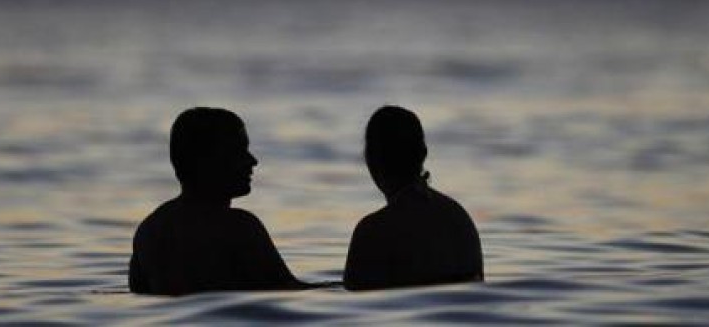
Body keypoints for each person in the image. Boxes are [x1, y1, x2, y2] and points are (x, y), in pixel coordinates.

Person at [129, 107, 310, 295]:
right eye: (238, 151)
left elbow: (138, 293)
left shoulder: (149, 230)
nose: (252, 161)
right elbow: (288, 290)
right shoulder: (239, 227)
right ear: (207, 160)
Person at [344, 105, 484, 290]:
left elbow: (355, 296)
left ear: (370, 159)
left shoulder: (373, 231)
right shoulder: (459, 219)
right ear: (423, 153)